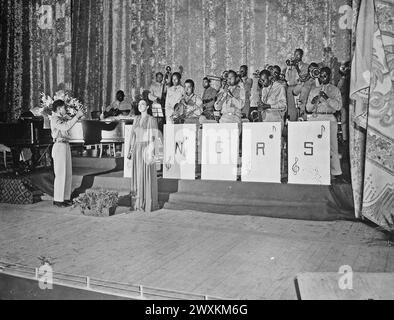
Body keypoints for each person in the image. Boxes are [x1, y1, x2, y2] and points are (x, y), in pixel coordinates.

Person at [306, 67, 344, 183]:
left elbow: (338, 107)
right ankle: (313, 169)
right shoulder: (313, 90)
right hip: (315, 117)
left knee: (332, 146)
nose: (322, 78)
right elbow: (308, 108)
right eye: (320, 75)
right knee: (313, 145)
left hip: (329, 118)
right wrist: (313, 102)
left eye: (325, 75)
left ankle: (336, 172)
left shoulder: (335, 89)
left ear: (329, 76)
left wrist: (326, 98)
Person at [127, 100, 160, 212]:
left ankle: (147, 202)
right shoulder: (136, 119)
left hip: (146, 148)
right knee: (137, 174)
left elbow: (154, 136)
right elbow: (132, 136)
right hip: (137, 148)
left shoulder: (151, 119)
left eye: (143, 104)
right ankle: (137, 203)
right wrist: (130, 151)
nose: (140, 106)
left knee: (145, 174)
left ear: (147, 107)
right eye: (139, 104)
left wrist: (150, 151)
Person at [50, 100, 84, 207]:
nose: (66, 110)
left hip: (65, 145)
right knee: (60, 173)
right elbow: (65, 127)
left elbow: (75, 120)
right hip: (59, 145)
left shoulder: (63, 117)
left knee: (67, 173)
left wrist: (79, 115)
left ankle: (65, 197)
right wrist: (76, 116)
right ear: (59, 108)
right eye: (64, 108)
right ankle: (58, 199)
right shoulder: (55, 119)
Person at [284, 49, 309, 121]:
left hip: (301, 88)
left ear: (301, 56)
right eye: (295, 55)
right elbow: (287, 78)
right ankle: (292, 122)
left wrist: (297, 67)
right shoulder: (291, 66)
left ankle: (302, 121)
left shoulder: (306, 66)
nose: (296, 56)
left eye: (298, 55)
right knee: (291, 109)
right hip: (291, 88)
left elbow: (303, 77)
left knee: (301, 107)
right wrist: (289, 67)